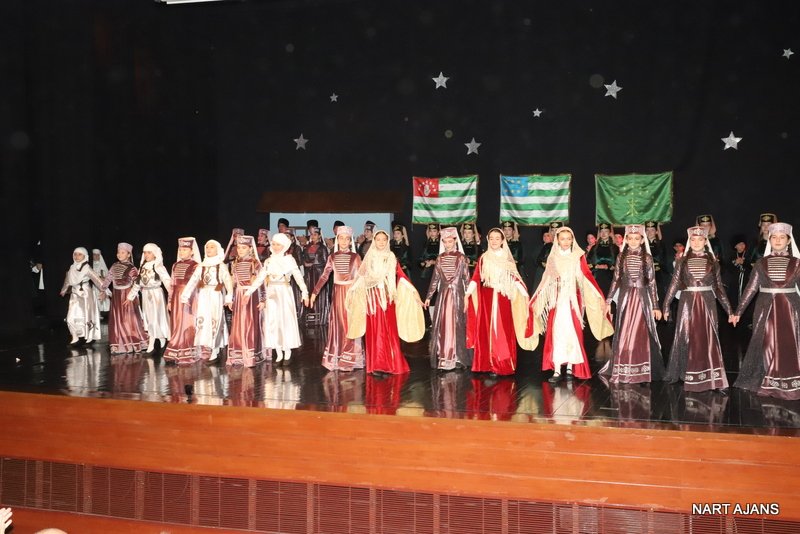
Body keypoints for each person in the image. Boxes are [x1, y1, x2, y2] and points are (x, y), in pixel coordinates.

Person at [528, 226, 613, 382]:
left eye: (569, 238)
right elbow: (546, 280)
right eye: (563, 239)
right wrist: (537, 298)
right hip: (557, 300)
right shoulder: (553, 257)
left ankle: (569, 367)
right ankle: (557, 369)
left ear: (572, 240)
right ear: (557, 240)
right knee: (557, 332)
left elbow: (586, 277)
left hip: (573, 300)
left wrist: (598, 296)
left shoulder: (578, 256)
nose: (566, 242)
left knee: (572, 332)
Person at [731, 222, 800, 400]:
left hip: (790, 309)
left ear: (788, 241)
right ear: (769, 239)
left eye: (782, 237)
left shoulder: (797, 263)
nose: (778, 240)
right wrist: (738, 312)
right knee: (767, 343)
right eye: (774, 237)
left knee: (788, 344)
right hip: (765, 308)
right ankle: (769, 379)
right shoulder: (761, 263)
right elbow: (751, 288)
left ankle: (789, 380)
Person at [662, 226, 733, 392]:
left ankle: (711, 375)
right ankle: (685, 371)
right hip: (687, 302)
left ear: (705, 241)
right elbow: (674, 284)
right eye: (693, 240)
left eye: (700, 239)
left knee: (708, 337)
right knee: (686, 335)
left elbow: (718, 288)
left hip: (707, 302)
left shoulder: (713, 262)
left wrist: (729, 310)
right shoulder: (682, 261)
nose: (696, 243)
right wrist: (666, 305)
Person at [346, 229, 424, 375]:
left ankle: (391, 364)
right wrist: (351, 290)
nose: (381, 242)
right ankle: (376, 365)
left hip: (387, 298)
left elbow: (401, 275)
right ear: (374, 241)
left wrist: (414, 292)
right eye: (378, 239)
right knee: (374, 331)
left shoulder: (391, 256)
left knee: (388, 329)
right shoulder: (369, 257)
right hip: (372, 298)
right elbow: (361, 277)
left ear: (387, 241)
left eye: (384, 239)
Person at [599, 225, 664, 384]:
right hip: (626, 297)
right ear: (626, 240)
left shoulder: (647, 258)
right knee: (625, 330)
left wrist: (655, 306)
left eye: (637, 238)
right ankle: (624, 366)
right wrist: (608, 300)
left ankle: (641, 367)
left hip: (642, 297)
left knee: (641, 331)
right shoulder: (621, 257)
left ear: (642, 240)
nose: (633, 241)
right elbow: (616, 280)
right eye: (630, 238)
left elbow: (652, 283)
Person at [465, 228, 535, 376]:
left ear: (502, 240)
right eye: (491, 238)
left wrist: (525, 295)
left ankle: (502, 363)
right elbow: (476, 277)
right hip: (487, 297)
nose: (494, 241)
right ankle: (489, 363)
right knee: (487, 329)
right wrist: (467, 294)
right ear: (488, 240)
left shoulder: (507, 259)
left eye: (497, 238)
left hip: (503, 297)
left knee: (503, 329)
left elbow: (515, 279)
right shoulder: (484, 258)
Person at [311, 225, 364, 371]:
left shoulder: (355, 257)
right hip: (338, 294)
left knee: (350, 324)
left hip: (351, 293)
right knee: (338, 324)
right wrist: (314, 292)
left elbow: (361, 277)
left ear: (350, 240)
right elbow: (324, 276)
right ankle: (338, 355)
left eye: (347, 239)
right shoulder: (332, 257)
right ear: (337, 240)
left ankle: (350, 358)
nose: (344, 241)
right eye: (341, 238)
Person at [250, 232, 309, 364]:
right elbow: (260, 278)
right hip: (271, 292)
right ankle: (278, 351)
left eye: (279, 245)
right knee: (273, 321)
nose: (276, 247)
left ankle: (287, 350)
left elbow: (298, 277)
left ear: (285, 246)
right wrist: (249, 292)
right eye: (274, 244)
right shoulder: (268, 261)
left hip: (284, 292)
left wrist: (305, 292)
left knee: (285, 321)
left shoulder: (289, 260)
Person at [425, 226, 472, 370]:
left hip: (458, 295)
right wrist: (429, 296)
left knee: (458, 325)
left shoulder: (461, 257)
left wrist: (468, 296)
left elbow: (467, 279)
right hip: (444, 297)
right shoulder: (439, 258)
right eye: (445, 242)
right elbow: (435, 279)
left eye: (450, 241)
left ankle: (458, 358)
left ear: (455, 241)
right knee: (444, 325)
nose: (447, 244)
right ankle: (445, 357)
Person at [181, 239, 232, 363]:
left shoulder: (221, 265)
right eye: (207, 247)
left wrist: (229, 297)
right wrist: (185, 295)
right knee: (204, 322)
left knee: (215, 320)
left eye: (212, 247)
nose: (209, 249)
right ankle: (208, 347)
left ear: (217, 250)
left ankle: (215, 350)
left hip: (215, 294)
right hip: (203, 295)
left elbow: (228, 282)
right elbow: (193, 280)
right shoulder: (202, 265)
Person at [102, 242, 148, 354]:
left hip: (127, 295)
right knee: (117, 319)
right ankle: (118, 343)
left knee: (128, 319)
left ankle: (131, 342)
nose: (119, 254)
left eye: (122, 253)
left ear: (128, 254)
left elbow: (138, 282)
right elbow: (108, 279)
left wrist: (141, 294)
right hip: (116, 295)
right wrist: (103, 290)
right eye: (118, 252)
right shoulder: (114, 266)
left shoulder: (132, 268)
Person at [227, 235, 265, 367]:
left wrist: (263, 299)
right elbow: (233, 283)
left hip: (251, 295)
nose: (240, 250)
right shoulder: (235, 263)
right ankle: (239, 354)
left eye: (243, 248)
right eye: (238, 247)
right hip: (239, 295)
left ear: (250, 248)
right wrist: (230, 298)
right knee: (238, 324)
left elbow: (261, 282)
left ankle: (250, 355)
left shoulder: (255, 263)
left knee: (250, 323)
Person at [163, 238, 201, 363]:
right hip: (176, 296)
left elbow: (195, 283)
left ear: (192, 251)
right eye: (180, 249)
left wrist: (189, 296)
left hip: (189, 296)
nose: (181, 252)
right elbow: (172, 284)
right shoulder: (175, 265)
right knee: (176, 322)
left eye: (185, 249)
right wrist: (169, 300)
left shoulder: (196, 265)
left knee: (187, 322)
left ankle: (186, 349)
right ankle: (175, 348)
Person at [130, 243, 172, 353]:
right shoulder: (142, 267)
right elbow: (137, 283)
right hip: (146, 295)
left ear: (155, 254)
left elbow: (167, 282)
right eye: (145, 253)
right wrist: (130, 296)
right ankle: (161, 339)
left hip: (156, 294)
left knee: (156, 318)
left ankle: (151, 345)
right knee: (149, 318)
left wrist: (172, 297)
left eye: (149, 252)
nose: (146, 255)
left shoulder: (158, 266)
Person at [59, 247, 103, 345]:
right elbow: (68, 280)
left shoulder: (87, 268)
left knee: (87, 315)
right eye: (75, 254)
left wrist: (105, 291)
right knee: (70, 317)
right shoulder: (72, 267)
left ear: (85, 256)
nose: (77, 256)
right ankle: (75, 336)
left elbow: (97, 280)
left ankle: (90, 336)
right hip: (75, 294)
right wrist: (63, 290)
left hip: (85, 294)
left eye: (79, 254)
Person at [301, 223, 329, 325]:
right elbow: (303, 260)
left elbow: (326, 263)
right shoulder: (307, 247)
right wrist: (306, 264)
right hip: (309, 275)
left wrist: (313, 264)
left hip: (319, 275)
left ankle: (321, 318)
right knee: (309, 293)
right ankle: (309, 317)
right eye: (311, 234)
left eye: (315, 234)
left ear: (319, 236)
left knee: (319, 294)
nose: (313, 236)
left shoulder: (323, 248)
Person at [586, 222, 618, 297]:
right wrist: (596, 266)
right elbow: (587, 263)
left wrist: (608, 266)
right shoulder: (594, 248)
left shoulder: (615, 248)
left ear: (610, 233)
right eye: (601, 231)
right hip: (596, 278)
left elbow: (618, 265)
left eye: (606, 231)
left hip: (610, 279)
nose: (603, 234)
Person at [92, 248, 111, 315]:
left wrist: (103, 278)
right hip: (93, 286)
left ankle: (103, 313)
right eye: (94, 255)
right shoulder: (90, 265)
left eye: (98, 255)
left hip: (101, 285)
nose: (96, 256)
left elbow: (108, 276)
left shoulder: (102, 265)